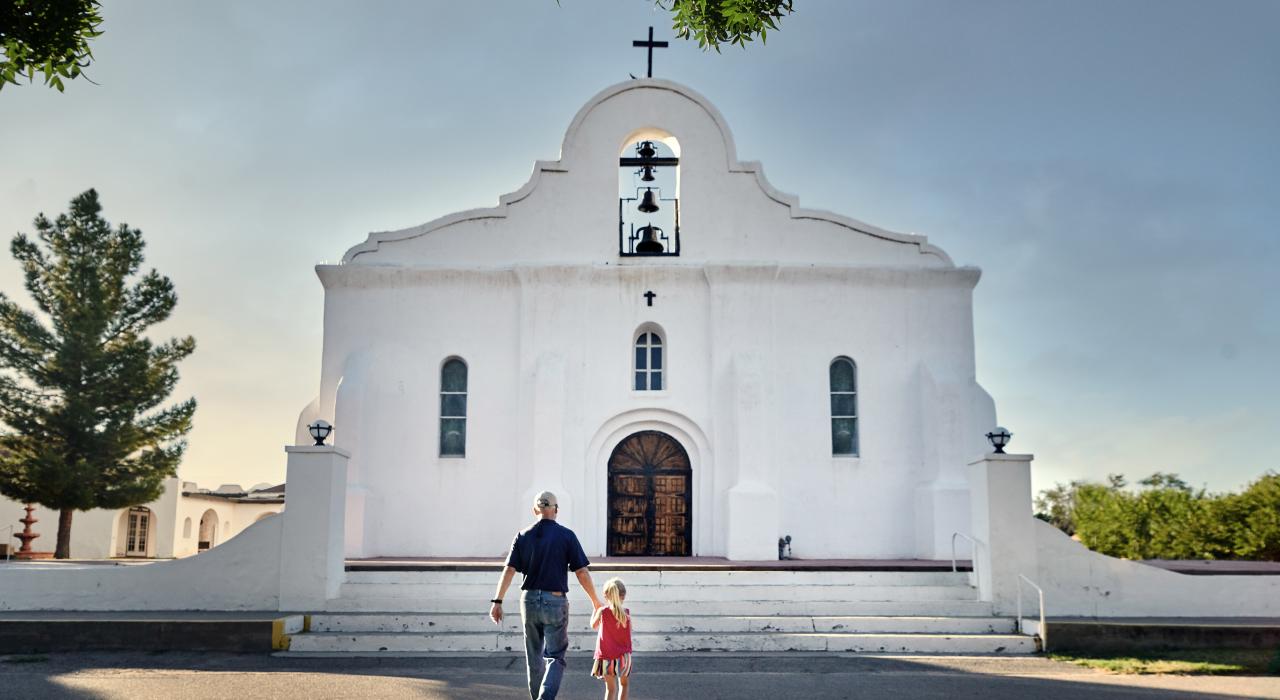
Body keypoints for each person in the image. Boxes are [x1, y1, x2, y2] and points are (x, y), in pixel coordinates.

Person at [491, 491, 601, 700]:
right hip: (555, 600)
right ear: (556, 511)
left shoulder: (522, 535)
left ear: (535, 510)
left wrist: (497, 601)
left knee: (534, 658)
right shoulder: (566, 535)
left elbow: (509, 570)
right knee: (555, 656)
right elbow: (582, 572)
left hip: (529, 600)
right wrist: (595, 602)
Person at [590, 577, 633, 700]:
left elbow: (593, 625)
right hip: (624, 656)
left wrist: (595, 608)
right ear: (623, 596)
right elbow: (629, 631)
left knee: (610, 689)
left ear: (606, 596)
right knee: (624, 685)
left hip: (606, 656)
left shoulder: (603, 612)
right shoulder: (626, 613)